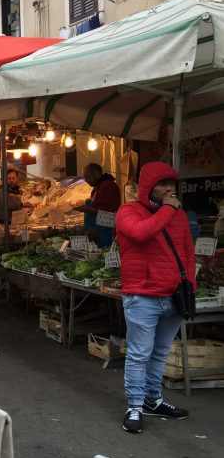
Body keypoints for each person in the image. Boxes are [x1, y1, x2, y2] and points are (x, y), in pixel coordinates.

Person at [115, 161, 194, 434]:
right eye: (162, 184)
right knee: (139, 354)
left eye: (172, 184)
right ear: (148, 186)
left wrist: (190, 285)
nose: (169, 189)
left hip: (173, 296)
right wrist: (170, 209)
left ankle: (153, 400)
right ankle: (135, 405)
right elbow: (140, 233)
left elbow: (187, 252)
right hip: (142, 295)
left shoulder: (179, 216)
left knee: (160, 352)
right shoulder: (128, 211)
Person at [74, 163, 122, 248]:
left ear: (96, 174)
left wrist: (86, 209)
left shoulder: (108, 186)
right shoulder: (99, 186)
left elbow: (108, 211)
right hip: (96, 232)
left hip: (105, 233)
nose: (85, 180)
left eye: (87, 177)